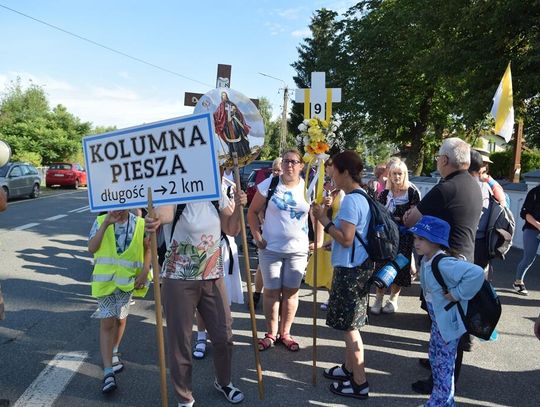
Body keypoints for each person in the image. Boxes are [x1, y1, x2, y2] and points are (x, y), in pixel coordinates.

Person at [145, 188, 247, 406]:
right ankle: (184, 397)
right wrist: (156, 218)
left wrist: (239, 207)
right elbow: (166, 213)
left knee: (224, 335)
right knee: (180, 341)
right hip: (178, 278)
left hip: (213, 276)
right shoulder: (174, 188)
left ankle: (224, 381)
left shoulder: (215, 191)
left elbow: (231, 229)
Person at [403, 137, 482, 394]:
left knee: (447, 325)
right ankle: (438, 363)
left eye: (438, 157)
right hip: (464, 257)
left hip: (445, 265)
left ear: (445, 160)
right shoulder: (473, 184)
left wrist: (410, 217)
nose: (437, 160)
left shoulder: (445, 188)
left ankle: (442, 382)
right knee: (445, 324)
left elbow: (411, 219)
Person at [312, 150, 372, 399]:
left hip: (350, 271)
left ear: (345, 172)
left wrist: (323, 220)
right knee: (351, 325)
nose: (331, 174)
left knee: (350, 328)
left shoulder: (350, 201)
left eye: (333, 169)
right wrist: (333, 242)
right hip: (358, 266)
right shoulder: (361, 196)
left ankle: (359, 382)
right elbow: (353, 237)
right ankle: (349, 369)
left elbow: (346, 239)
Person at [410, 215, 484, 406]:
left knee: (443, 366)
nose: (416, 243)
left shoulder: (443, 262)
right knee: (437, 361)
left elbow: (476, 273)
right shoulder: (428, 259)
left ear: (436, 241)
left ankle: (441, 402)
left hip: (448, 326)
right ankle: (443, 400)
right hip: (439, 324)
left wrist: (457, 293)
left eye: (422, 239)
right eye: (416, 238)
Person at [247, 149, 310, 352]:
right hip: (270, 249)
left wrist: (317, 240)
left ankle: (286, 333)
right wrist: (257, 237)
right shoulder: (270, 184)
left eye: (294, 162)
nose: (289, 165)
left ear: (301, 166)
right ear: (281, 164)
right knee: (271, 292)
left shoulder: (308, 186)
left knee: (291, 293)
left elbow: (317, 213)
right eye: (286, 161)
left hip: (297, 250)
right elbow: (252, 212)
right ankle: (271, 333)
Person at [88, 209, 151, 394]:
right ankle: (108, 372)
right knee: (107, 322)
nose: (118, 208)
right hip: (105, 283)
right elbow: (92, 248)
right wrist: (106, 223)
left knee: (121, 319)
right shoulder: (101, 221)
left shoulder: (140, 223)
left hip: (126, 282)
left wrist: (145, 271)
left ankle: (114, 349)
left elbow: (148, 248)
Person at [372, 160, 420, 314]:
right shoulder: (385, 193)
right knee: (382, 266)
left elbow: (413, 216)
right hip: (387, 237)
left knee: (398, 267)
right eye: (394, 173)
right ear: (390, 175)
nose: (397, 177)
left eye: (400, 173)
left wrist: (397, 219)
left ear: (405, 175)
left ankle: (393, 299)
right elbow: (378, 214)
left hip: (404, 237)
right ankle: (378, 298)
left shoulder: (411, 193)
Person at [305, 158, 345, 310]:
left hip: (339, 231)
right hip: (327, 231)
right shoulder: (324, 185)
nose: (328, 170)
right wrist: (325, 205)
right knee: (328, 270)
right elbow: (318, 211)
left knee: (336, 269)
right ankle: (331, 297)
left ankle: (339, 298)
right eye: (327, 167)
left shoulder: (344, 189)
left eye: (330, 167)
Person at [252, 157, 283, 308]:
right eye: (274, 170)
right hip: (267, 231)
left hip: (283, 234)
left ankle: (279, 297)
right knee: (261, 267)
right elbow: (256, 208)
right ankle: (257, 293)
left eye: (279, 170)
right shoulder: (268, 184)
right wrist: (261, 219)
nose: (276, 173)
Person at [513, 184, 540, 295]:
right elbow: (525, 213)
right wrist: (538, 225)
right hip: (532, 229)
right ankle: (518, 282)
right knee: (529, 258)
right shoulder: (535, 192)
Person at [213, 91, 251, 159]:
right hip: (226, 126)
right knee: (230, 140)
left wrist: (234, 112)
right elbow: (217, 114)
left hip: (234, 124)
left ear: (227, 96)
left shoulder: (231, 103)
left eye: (225, 95)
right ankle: (234, 157)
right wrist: (214, 116)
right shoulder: (221, 105)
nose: (224, 97)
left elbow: (238, 113)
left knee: (238, 138)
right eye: (222, 96)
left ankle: (242, 154)